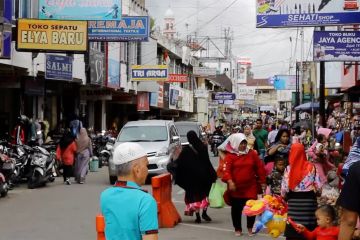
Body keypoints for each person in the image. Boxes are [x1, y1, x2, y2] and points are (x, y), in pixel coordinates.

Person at [100, 142, 158, 240]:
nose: (147, 170)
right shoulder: (145, 201)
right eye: (146, 165)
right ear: (137, 170)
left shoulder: (105, 196)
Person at [221, 133, 266, 236]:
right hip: (236, 188)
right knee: (236, 209)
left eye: (245, 143)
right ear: (236, 143)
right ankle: (238, 228)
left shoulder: (252, 154)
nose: (243, 145)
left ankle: (250, 227)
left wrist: (263, 181)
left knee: (251, 208)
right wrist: (230, 181)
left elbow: (259, 168)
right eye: (241, 143)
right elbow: (226, 170)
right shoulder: (230, 156)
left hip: (250, 186)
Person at [174, 131, 217, 223]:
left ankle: (198, 216)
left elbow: (180, 162)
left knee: (196, 197)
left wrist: (172, 165)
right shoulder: (203, 147)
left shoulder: (187, 150)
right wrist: (213, 174)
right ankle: (204, 213)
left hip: (193, 179)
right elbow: (207, 162)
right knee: (205, 195)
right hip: (205, 177)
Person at [281, 143, 321, 240]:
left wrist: (283, 197)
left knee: (293, 230)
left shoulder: (288, 169)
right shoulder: (312, 167)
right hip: (309, 204)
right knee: (309, 231)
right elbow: (319, 187)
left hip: (293, 204)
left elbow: (284, 189)